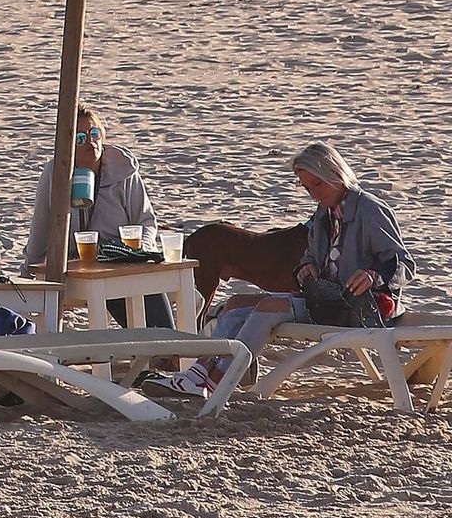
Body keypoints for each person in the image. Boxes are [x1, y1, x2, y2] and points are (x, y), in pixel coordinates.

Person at [162, 141, 412, 401]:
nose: (313, 193)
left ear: (335, 174)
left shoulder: (371, 211)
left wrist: (373, 275)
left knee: (269, 307)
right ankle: (198, 374)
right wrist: (306, 268)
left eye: (317, 184)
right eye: (307, 188)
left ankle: (218, 380)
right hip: (325, 300)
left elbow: (403, 263)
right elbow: (310, 256)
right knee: (235, 303)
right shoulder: (324, 213)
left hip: (361, 306)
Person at [23, 103, 171, 330]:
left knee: (144, 290)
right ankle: (153, 348)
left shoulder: (124, 172)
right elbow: (40, 230)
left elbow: (146, 221)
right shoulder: (56, 174)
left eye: (95, 134)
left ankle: (166, 349)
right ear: (68, 144)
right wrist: (28, 270)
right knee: (115, 289)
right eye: (80, 138)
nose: (91, 142)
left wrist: (140, 249)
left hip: (123, 258)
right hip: (79, 266)